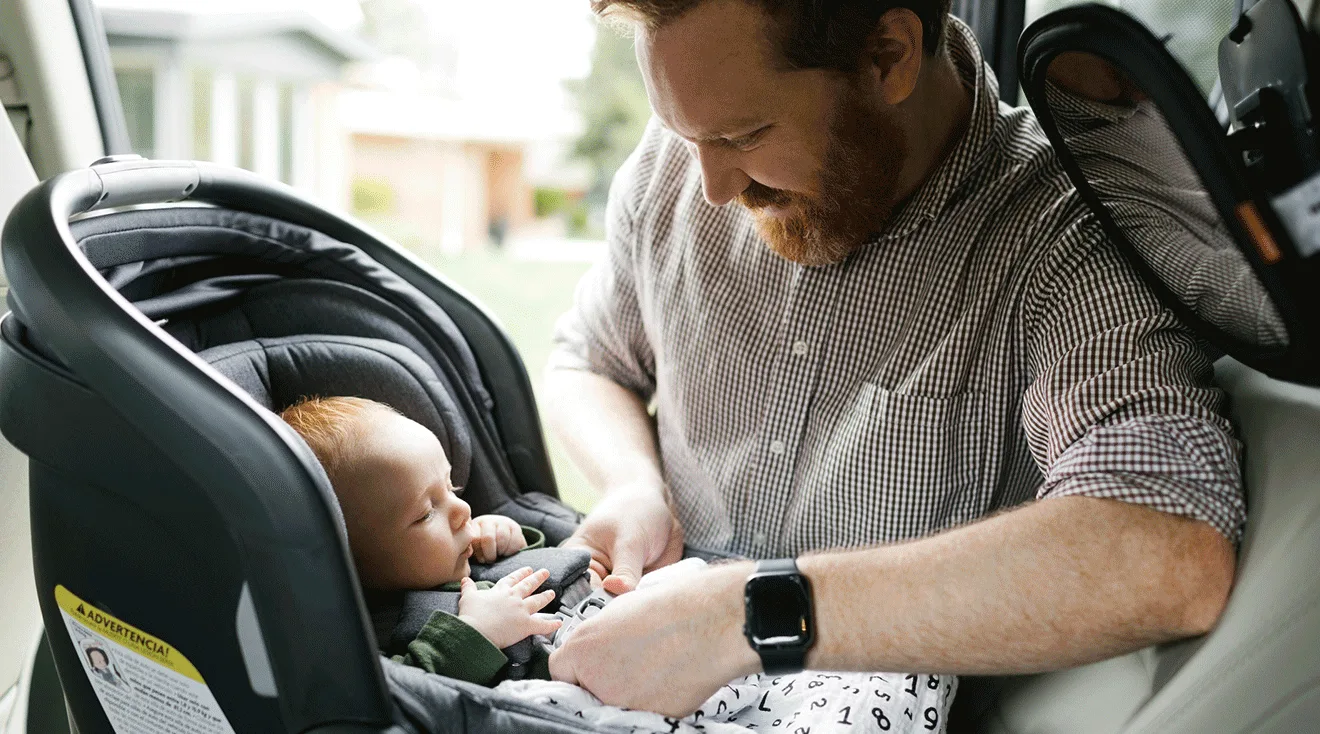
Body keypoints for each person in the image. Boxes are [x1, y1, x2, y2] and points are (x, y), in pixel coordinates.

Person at [544, 0, 1245, 718]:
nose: (714, 188)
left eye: (746, 134)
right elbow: (589, 362)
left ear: (888, 55)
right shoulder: (684, 160)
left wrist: (747, 616)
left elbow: (1166, 551)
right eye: (684, 134)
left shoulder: (1062, 238)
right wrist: (634, 486)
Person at [280, 396, 563, 684]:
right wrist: (476, 631)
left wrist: (508, 541)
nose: (463, 510)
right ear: (352, 562)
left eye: (451, 486)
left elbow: (536, 584)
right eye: (426, 514)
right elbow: (411, 694)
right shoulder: (378, 633)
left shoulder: (458, 557)